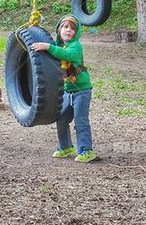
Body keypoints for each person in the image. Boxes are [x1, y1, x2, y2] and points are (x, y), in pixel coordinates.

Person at [30, 16, 99, 163]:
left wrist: (47, 46)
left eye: (72, 28)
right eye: (65, 27)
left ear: (76, 32)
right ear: (59, 29)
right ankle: (66, 147)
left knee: (80, 121)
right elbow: (53, 51)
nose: (68, 30)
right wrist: (33, 33)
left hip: (81, 90)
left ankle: (86, 150)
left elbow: (67, 55)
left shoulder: (75, 46)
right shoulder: (59, 46)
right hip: (68, 91)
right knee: (61, 118)